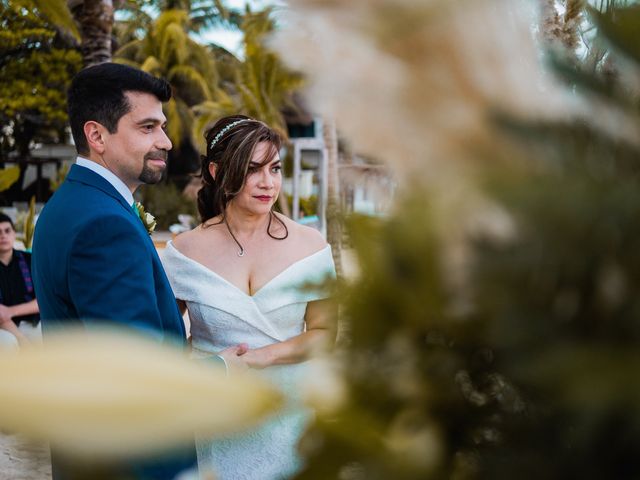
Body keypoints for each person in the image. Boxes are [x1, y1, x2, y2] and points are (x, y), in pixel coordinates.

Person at [31, 63, 245, 480]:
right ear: (97, 135)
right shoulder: (104, 225)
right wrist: (220, 368)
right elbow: (134, 371)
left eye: (162, 126)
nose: (165, 141)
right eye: (147, 127)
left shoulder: (68, 206)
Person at [162, 115, 337, 480]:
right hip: (216, 411)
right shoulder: (184, 251)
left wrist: (261, 357)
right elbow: (163, 336)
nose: (267, 182)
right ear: (216, 171)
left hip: (289, 411)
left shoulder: (312, 246)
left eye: (274, 168)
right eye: (253, 169)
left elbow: (324, 332)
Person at [0, 213, 40, 348]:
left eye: (7, 230)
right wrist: (21, 339)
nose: (3, 235)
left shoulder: (30, 259)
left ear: (14, 234)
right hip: (4, 328)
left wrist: (10, 311)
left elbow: (42, 300)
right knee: (8, 343)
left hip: (32, 322)